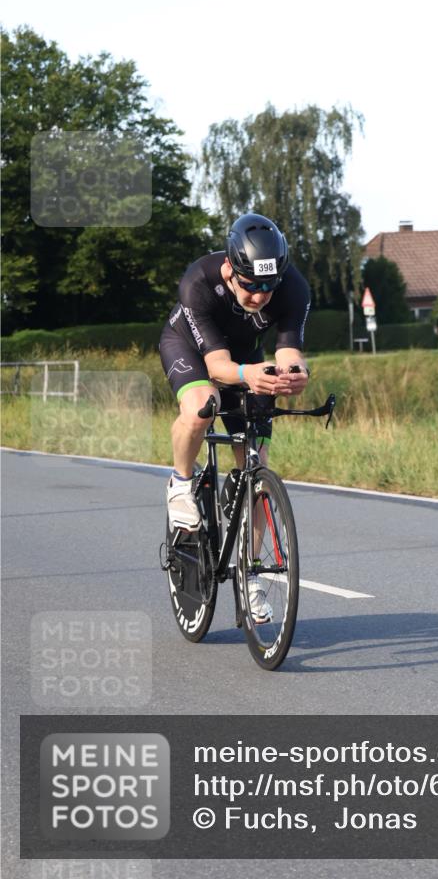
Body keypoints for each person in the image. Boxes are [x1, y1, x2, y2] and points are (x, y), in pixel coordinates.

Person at [158, 213, 310, 620]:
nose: (260, 296)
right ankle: (180, 483)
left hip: (245, 358)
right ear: (229, 269)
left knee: (257, 466)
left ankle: (250, 574)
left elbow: (289, 349)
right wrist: (248, 375)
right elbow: (218, 367)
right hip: (191, 350)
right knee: (202, 405)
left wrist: (296, 373)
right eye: (250, 285)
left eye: (268, 287)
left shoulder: (293, 287)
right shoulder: (199, 281)